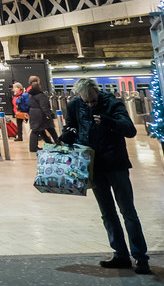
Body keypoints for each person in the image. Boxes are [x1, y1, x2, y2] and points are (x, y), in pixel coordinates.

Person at [59, 78, 149, 273]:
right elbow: (72, 127)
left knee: (128, 211)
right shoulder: (74, 105)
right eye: (87, 102)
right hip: (93, 166)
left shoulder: (112, 102)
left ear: (96, 92)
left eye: (93, 100)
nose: (90, 104)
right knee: (107, 213)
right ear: (79, 97)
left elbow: (130, 130)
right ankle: (120, 254)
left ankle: (141, 257)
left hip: (116, 164)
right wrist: (67, 134)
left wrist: (109, 122)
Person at [27, 76, 59, 152]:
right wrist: (48, 114)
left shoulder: (30, 95)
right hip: (40, 114)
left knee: (37, 130)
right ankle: (58, 142)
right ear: (38, 87)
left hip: (33, 113)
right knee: (50, 128)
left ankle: (36, 146)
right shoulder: (41, 95)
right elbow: (44, 106)